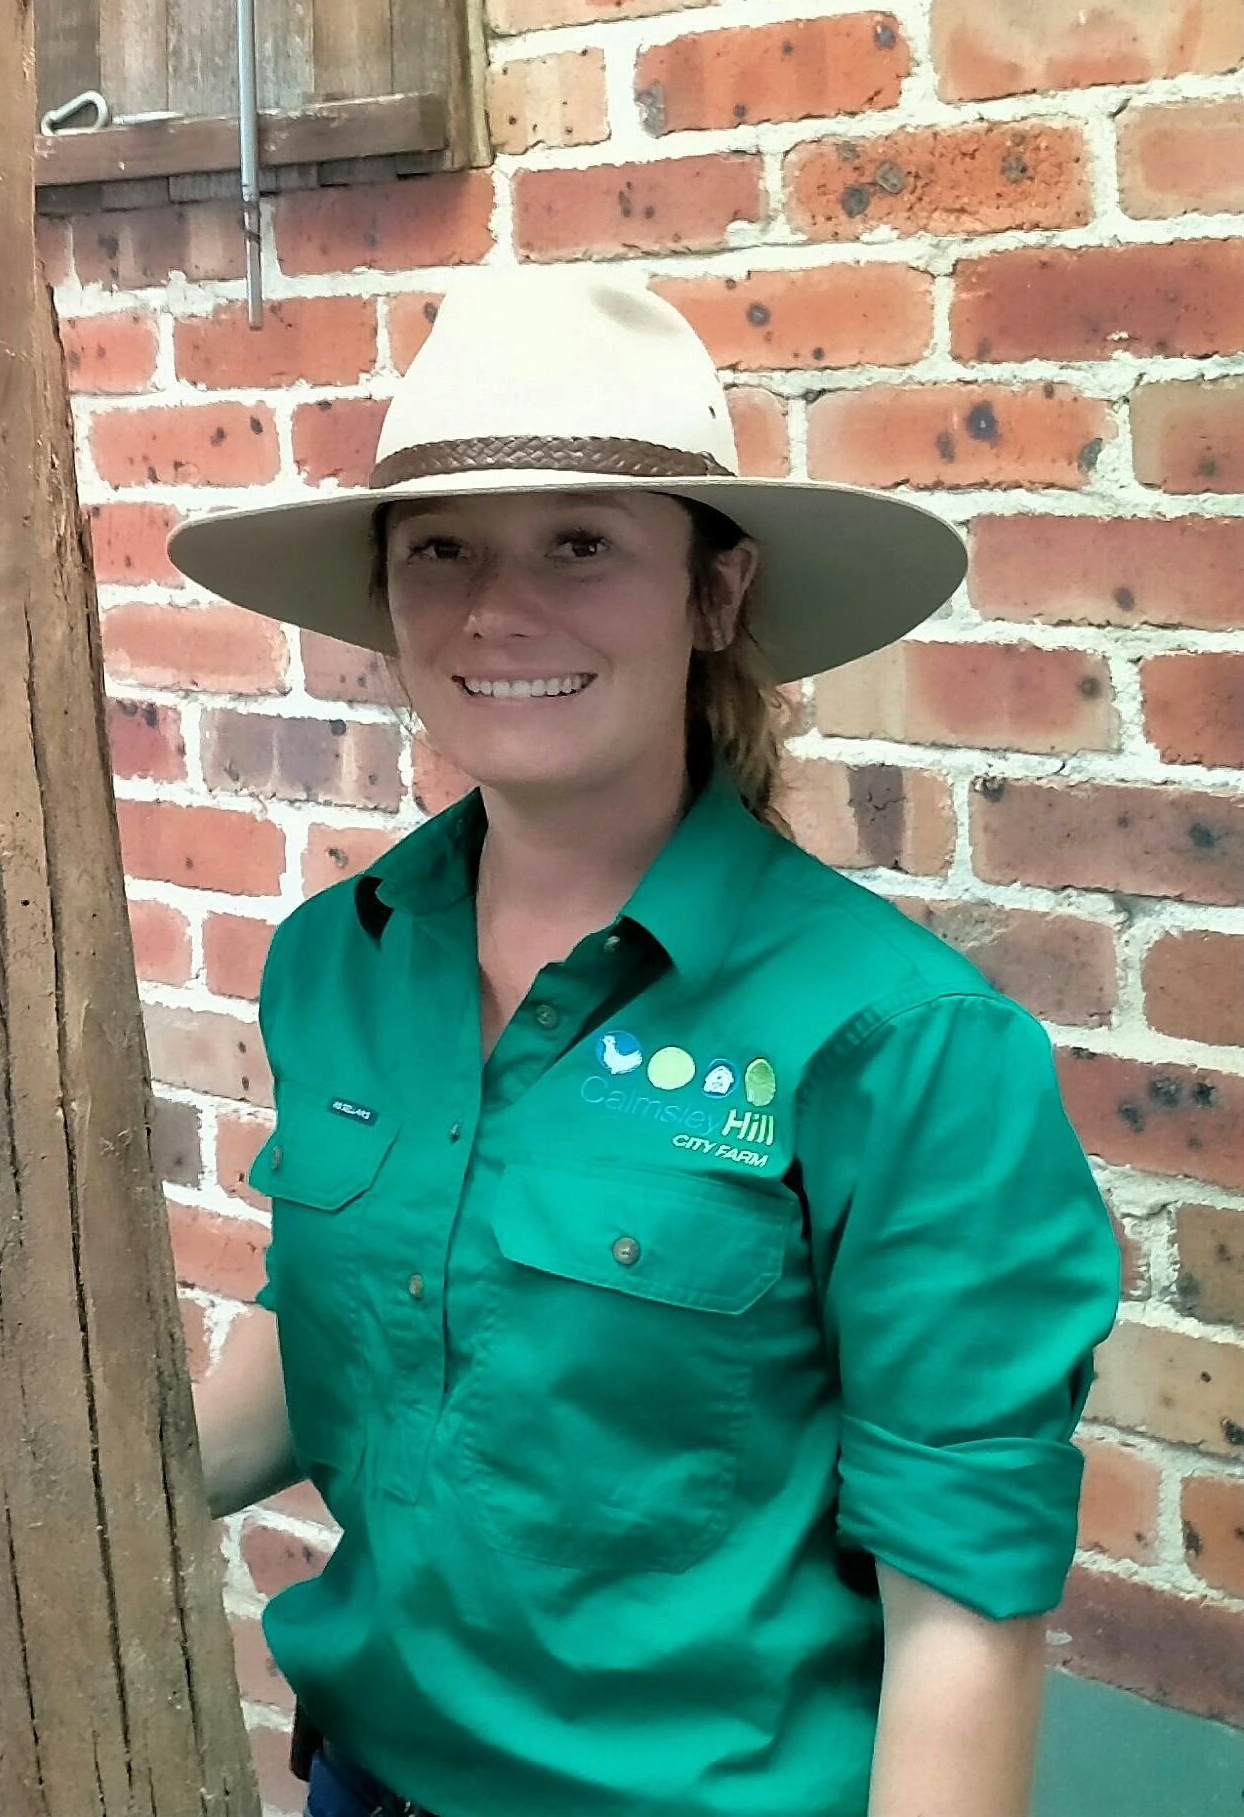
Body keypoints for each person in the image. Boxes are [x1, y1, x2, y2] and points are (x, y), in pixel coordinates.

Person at [163, 266, 1120, 1817]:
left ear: (718, 591)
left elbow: (966, 1622)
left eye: (584, 544)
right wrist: (90, 1494)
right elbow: (354, 1321)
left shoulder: (906, 1046)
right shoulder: (337, 964)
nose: (497, 608)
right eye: (442, 550)